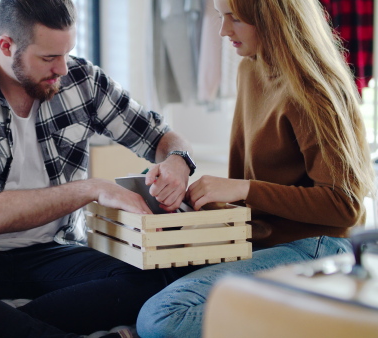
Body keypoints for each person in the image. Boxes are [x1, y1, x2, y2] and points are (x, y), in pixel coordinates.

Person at [0, 0, 197, 337]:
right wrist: (91, 188)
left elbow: (162, 136)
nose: (63, 69)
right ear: (7, 46)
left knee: (161, 275)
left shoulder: (83, 80)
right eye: (48, 58)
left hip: (53, 251)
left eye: (66, 53)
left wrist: (178, 160)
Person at [136, 0, 375, 337]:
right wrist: (194, 208)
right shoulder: (250, 69)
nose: (222, 31)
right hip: (260, 240)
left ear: (272, 19)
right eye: (221, 17)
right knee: (141, 281)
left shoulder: (313, 90)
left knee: (159, 318)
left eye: (236, 19)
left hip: (319, 244)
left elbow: (345, 206)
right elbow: (247, 190)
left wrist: (245, 189)